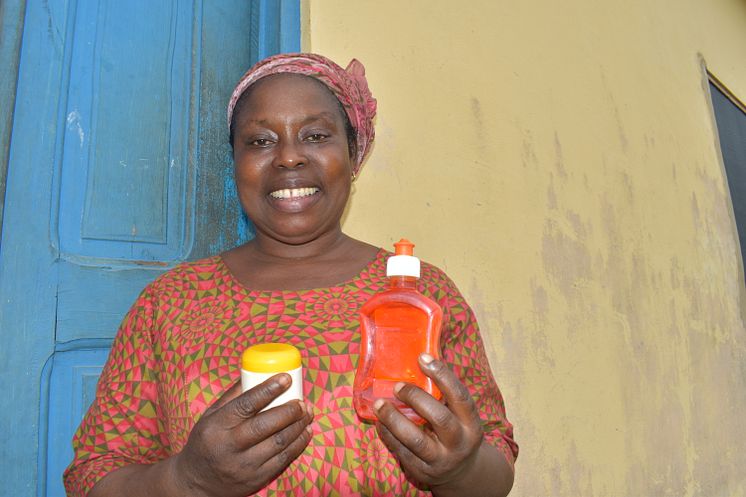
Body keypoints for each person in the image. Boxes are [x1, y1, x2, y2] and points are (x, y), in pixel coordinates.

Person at [63, 53, 518, 497]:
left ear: (353, 153)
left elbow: (495, 465)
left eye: (316, 135)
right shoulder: (170, 302)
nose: (288, 158)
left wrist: (460, 470)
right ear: (235, 162)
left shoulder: (418, 293)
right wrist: (188, 481)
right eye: (260, 141)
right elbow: (93, 475)